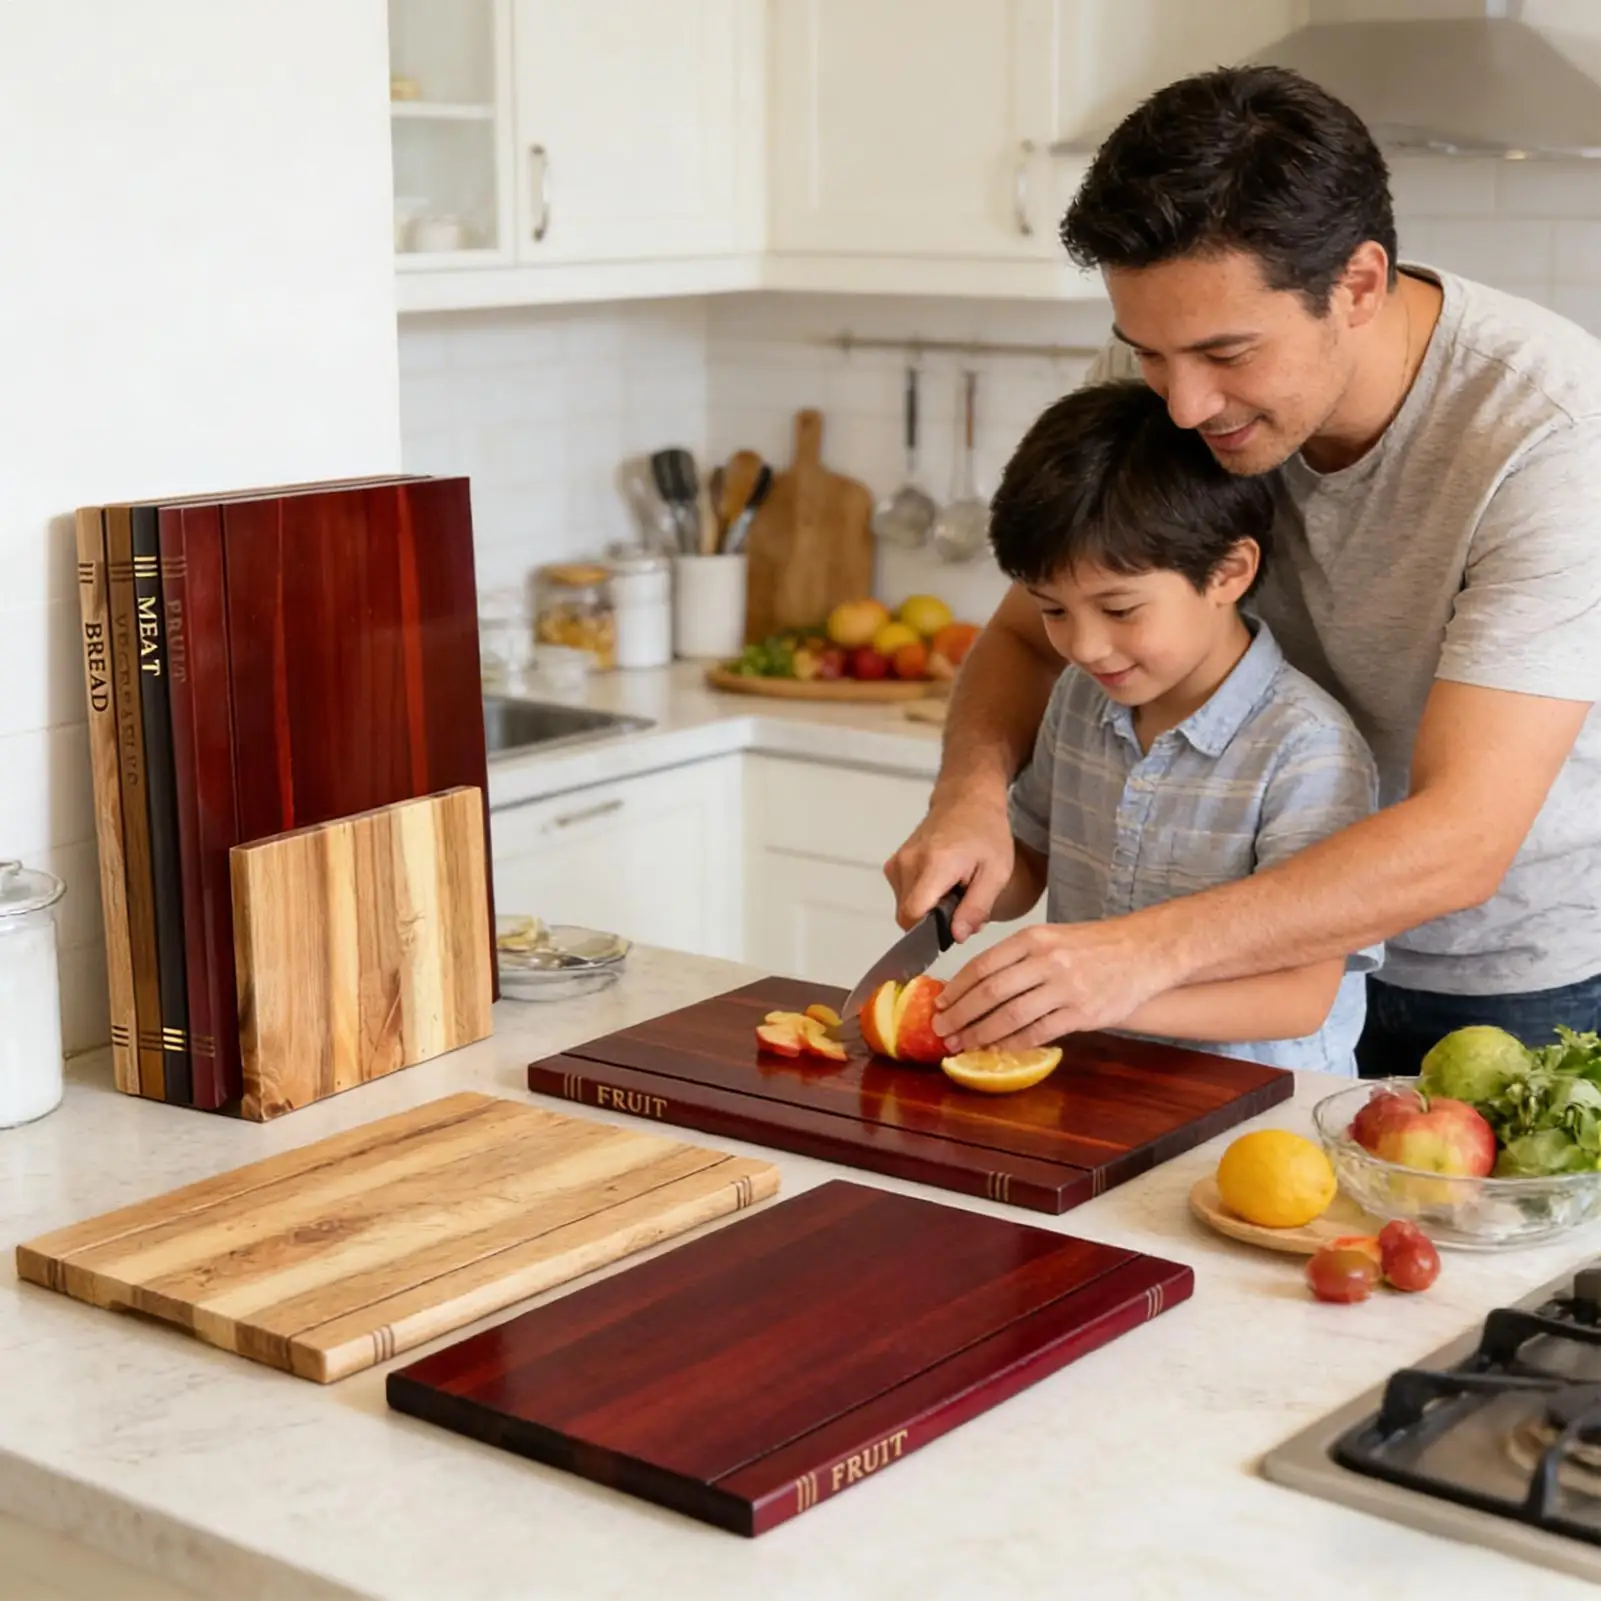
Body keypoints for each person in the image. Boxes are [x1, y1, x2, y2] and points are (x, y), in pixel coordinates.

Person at [885, 63, 1601, 1078]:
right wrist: (968, 796)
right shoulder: (1185, 365)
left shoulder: (1549, 430)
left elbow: (1460, 834)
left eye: (1225, 352)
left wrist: (1137, 951)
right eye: (1143, 353)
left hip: (1499, 981)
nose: (1180, 406)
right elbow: (1018, 630)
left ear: (1355, 285)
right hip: (1225, 958)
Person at [982, 379, 1379, 1074]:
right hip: (1100, 1086)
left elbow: (1299, 997)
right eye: (1051, 610)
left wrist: (1102, 999)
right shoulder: (1077, 698)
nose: (1083, 646)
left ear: (1228, 571)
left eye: (1119, 609)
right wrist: (966, 869)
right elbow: (1029, 861)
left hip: (1257, 1121)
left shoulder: (1305, 749)